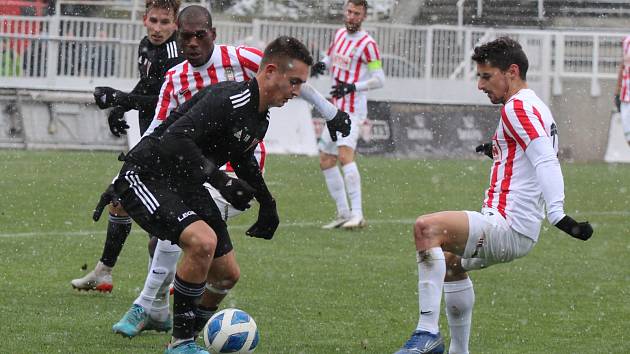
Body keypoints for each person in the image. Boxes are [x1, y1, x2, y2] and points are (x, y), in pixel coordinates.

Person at [108, 5, 351, 338]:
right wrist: (123, 175)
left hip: (220, 174)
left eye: (200, 35)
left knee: (215, 264)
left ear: (213, 34)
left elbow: (291, 75)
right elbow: (163, 133)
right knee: (191, 241)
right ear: (179, 38)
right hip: (181, 173)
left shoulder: (243, 64)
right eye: (186, 36)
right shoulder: (182, 79)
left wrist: (266, 201)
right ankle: (160, 315)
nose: (193, 42)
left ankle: (175, 321)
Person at [394, 37, 593, 354]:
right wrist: (497, 151)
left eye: (486, 76)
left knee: (426, 229)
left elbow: (544, 158)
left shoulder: (516, 107)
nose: (479, 85)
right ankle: (460, 350)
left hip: (507, 226)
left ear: (511, 71)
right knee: (449, 262)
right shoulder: (534, 104)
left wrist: (558, 214)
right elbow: (530, 154)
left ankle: (427, 333)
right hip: (516, 229)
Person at [71, 0, 184, 292]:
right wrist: (119, 109)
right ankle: (108, 273)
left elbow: (164, 102)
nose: (158, 29)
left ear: (176, 24)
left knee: (145, 208)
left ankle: (169, 282)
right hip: (152, 138)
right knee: (121, 200)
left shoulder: (174, 54)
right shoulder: (146, 45)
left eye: (165, 22)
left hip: (169, 141)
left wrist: (119, 98)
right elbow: (146, 86)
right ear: (145, 19)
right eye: (154, 21)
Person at [311, 0, 385, 229]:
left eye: (356, 13)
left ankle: (358, 214)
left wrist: (353, 86)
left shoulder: (368, 44)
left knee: (345, 156)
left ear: (363, 16)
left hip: (353, 109)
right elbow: (329, 56)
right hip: (334, 109)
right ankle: (343, 213)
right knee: (326, 160)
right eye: (349, 11)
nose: (351, 16)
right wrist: (320, 65)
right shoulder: (340, 34)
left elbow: (379, 79)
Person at [614, 34, 630, 146]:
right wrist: (617, 91)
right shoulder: (627, 40)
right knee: (628, 134)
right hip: (626, 97)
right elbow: (622, 66)